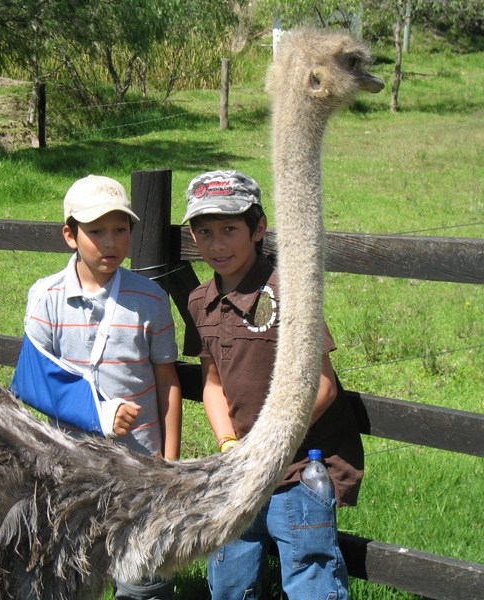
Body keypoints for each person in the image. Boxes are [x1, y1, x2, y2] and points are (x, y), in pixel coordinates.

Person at [182, 170, 364, 600]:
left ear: (258, 228)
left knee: (310, 577)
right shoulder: (199, 301)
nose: (217, 244)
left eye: (230, 229)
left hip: (297, 470)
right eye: (205, 232)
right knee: (228, 578)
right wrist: (229, 444)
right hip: (240, 470)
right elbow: (212, 381)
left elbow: (322, 386)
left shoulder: (289, 293)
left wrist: (268, 444)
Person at [10, 174, 181, 600]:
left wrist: (170, 464)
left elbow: (167, 380)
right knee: (67, 571)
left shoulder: (151, 299)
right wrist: (99, 414)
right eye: (96, 231)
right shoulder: (45, 296)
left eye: (120, 229)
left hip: (142, 463)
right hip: (67, 465)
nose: (110, 242)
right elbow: (34, 379)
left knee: (143, 580)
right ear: (70, 235)